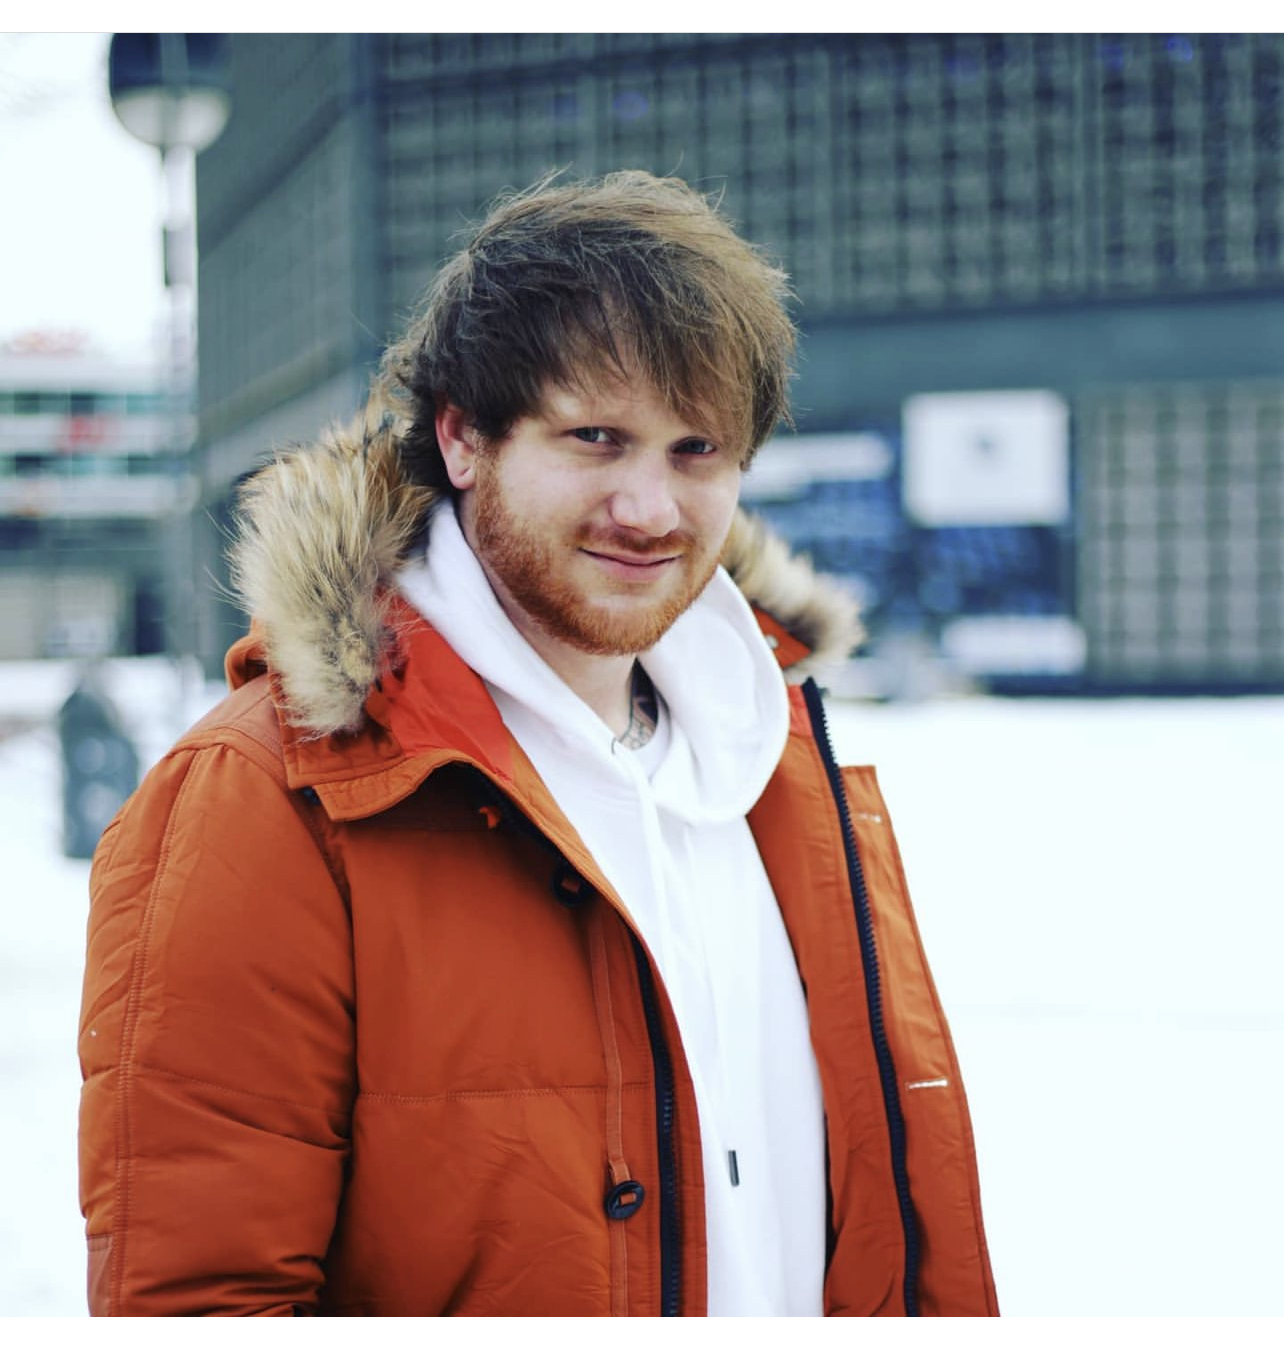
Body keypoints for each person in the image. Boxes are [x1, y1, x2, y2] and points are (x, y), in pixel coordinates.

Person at [78, 170, 997, 1317]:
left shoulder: (774, 756)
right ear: (463, 436)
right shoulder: (266, 797)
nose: (649, 508)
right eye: (595, 437)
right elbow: (199, 1301)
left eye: (695, 449)